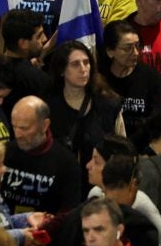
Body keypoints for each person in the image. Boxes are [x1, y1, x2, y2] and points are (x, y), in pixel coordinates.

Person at [1, 95, 83, 218]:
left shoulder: (66, 163)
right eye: (14, 127)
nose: (17, 134)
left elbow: (68, 213)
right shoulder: (3, 153)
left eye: (24, 128)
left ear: (45, 125)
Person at [43, 41, 118, 170]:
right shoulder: (47, 106)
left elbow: (121, 147)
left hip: (100, 183)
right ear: (61, 70)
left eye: (86, 62)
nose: (83, 69)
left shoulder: (108, 102)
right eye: (75, 64)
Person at [100, 20, 161, 139]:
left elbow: (156, 121)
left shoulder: (151, 77)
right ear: (110, 51)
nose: (135, 53)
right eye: (128, 48)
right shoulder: (100, 77)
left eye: (138, 46)